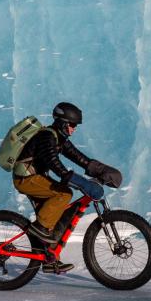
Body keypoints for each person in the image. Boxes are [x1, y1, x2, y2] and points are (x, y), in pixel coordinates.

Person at [12, 101, 122, 274]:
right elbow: (52, 162)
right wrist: (72, 179)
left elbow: (79, 158)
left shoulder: (59, 138)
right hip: (27, 178)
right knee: (64, 194)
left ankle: (49, 259)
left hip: (37, 178)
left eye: (75, 126)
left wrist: (101, 170)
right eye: (72, 125)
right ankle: (40, 229)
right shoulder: (47, 136)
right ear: (63, 123)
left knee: (54, 219)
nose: (74, 129)